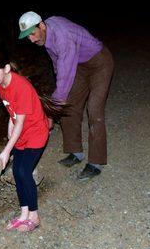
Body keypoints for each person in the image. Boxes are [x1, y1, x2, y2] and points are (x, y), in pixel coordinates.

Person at [18, 11, 114, 180]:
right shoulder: (46, 36)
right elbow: (58, 64)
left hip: (99, 63)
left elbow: (65, 75)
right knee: (69, 105)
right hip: (79, 66)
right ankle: (75, 152)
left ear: (41, 26)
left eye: (32, 34)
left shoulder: (62, 36)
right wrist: (58, 100)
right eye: (27, 37)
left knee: (94, 108)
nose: (31, 40)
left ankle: (96, 162)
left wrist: (51, 110)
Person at [0, 47, 52, 232]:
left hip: (36, 132)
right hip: (21, 133)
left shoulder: (21, 87)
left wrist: (6, 150)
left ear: (5, 68)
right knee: (16, 172)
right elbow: (12, 112)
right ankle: (23, 214)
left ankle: (34, 217)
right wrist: (9, 127)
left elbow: (20, 123)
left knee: (23, 171)